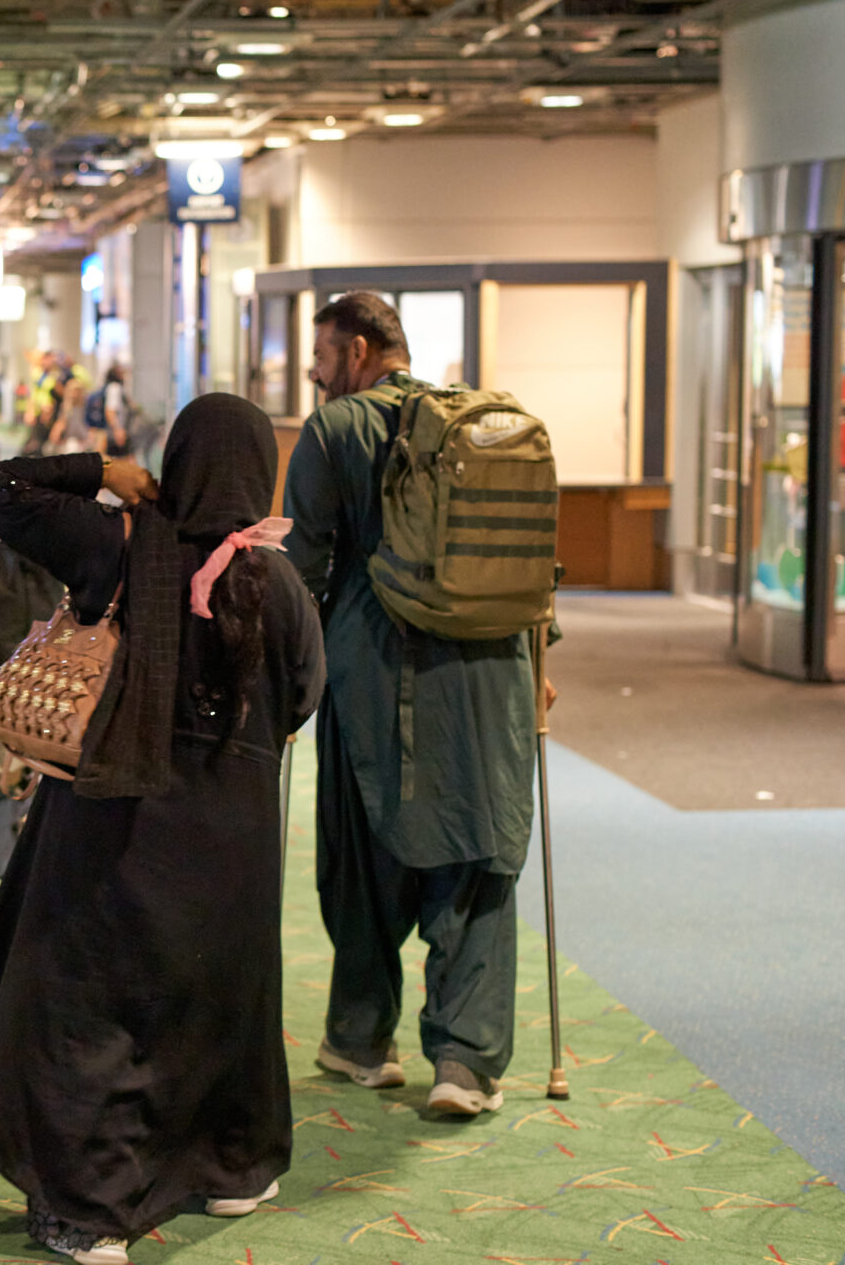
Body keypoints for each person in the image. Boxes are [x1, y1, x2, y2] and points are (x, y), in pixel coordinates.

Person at [0, 395, 324, 1265]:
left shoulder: (123, 544)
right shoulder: (280, 579)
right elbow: (305, 698)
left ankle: (87, 1212)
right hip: (235, 838)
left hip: (119, 827)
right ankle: (232, 1166)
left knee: (93, 1010)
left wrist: (100, 472)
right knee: (218, 1000)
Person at [282, 291, 544, 1118]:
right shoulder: (490, 424)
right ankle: (465, 1064)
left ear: (358, 350)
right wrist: (539, 663)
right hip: (494, 675)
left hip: (377, 673)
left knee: (363, 854)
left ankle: (362, 1039)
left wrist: (284, 676)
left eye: (320, 361)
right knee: (475, 860)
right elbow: (529, 561)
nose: (315, 377)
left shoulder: (335, 431)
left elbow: (302, 572)